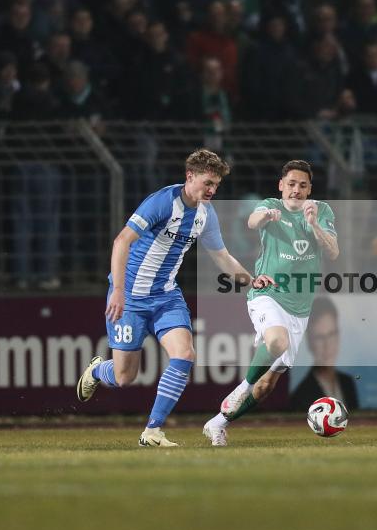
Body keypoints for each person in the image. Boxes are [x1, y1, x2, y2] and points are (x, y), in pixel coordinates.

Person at [76, 149, 272, 448]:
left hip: (166, 296)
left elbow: (221, 256)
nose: (212, 190)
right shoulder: (162, 202)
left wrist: (251, 280)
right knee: (124, 376)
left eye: (216, 185)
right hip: (130, 297)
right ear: (189, 176)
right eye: (208, 183)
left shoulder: (205, 214)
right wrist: (117, 289)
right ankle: (97, 370)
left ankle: (152, 430)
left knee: (185, 354)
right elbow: (121, 241)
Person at [202, 160, 339, 447]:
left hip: (300, 308)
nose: (296, 190)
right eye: (291, 184)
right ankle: (243, 387)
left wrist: (313, 224)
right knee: (277, 341)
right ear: (281, 185)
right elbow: (252, 221)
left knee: (266, 387)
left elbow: (333, 252)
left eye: (302, 185)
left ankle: (217, 424)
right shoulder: (269, 205)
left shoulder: (321, 211)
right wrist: (265, 216)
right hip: (268, 294)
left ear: (309, 188)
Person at [289, 297, 359, 411]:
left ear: (339, 335)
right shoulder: (300, 397)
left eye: (332, 334)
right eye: (320, 338)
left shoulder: (348, 384)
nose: (327, 345)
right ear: (310, 342)